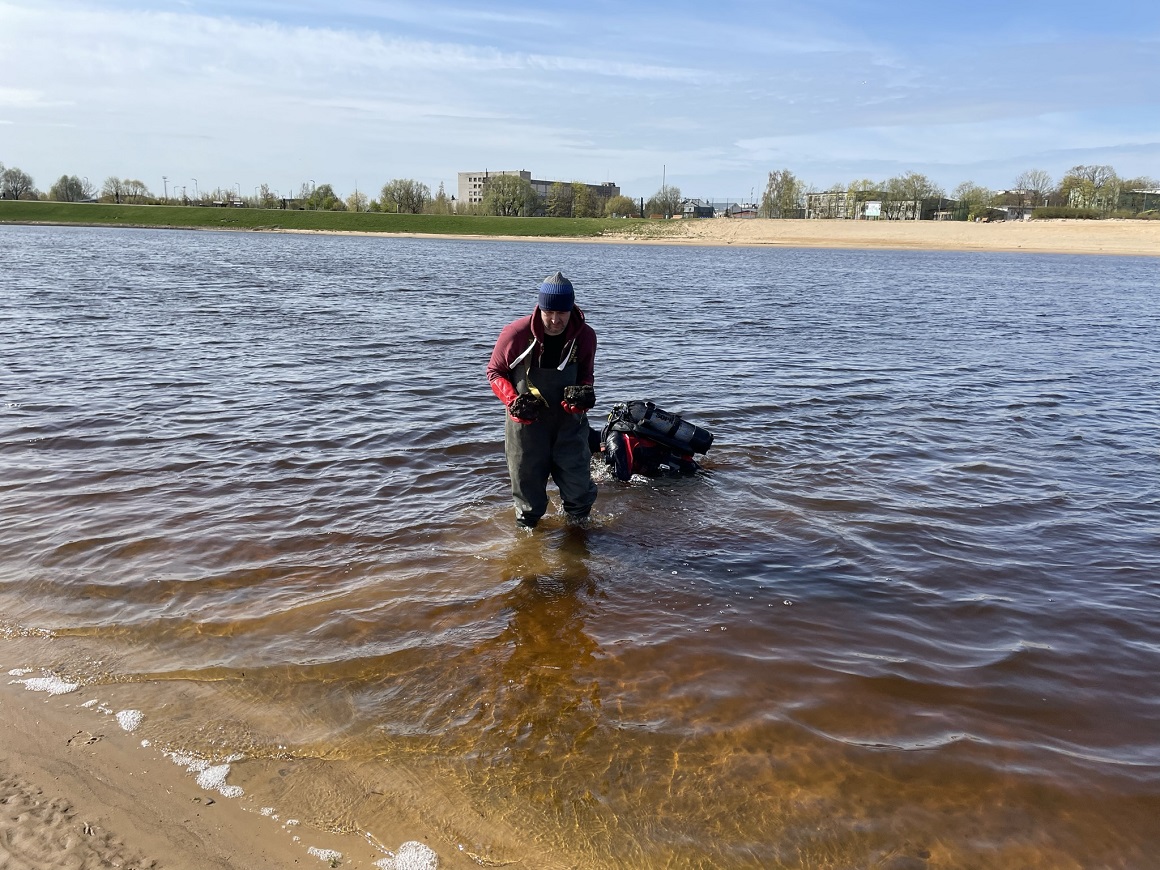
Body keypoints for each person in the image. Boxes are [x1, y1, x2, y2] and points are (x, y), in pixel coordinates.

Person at [487, 271, 598, 528]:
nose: (555, 320)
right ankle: (527, 549)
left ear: (572, 309)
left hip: (570, 425)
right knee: (528, 499)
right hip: (526, 426)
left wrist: (582, 394)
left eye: (562, 313)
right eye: (550, 312)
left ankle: (578, 537)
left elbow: (586, 375)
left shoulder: (585, 337)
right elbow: (494, 372)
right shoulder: (517, 333)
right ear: (540, 308)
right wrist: (513, 401)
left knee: (579, 490)